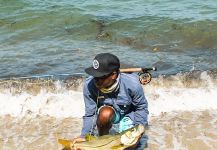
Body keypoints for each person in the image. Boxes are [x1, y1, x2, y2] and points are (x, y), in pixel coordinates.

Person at [73, 53, 149, 149]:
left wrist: (139, 132)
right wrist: (84, 136)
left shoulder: (132, 84)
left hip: (129, 115)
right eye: (94, 75)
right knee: (105, 114)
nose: (95, 80)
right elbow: (90, 114)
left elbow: (141, 108)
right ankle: (102, 141)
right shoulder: (89, 85)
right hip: (110, 114)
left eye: (100, 77)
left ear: (113, 75)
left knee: (130, 145)